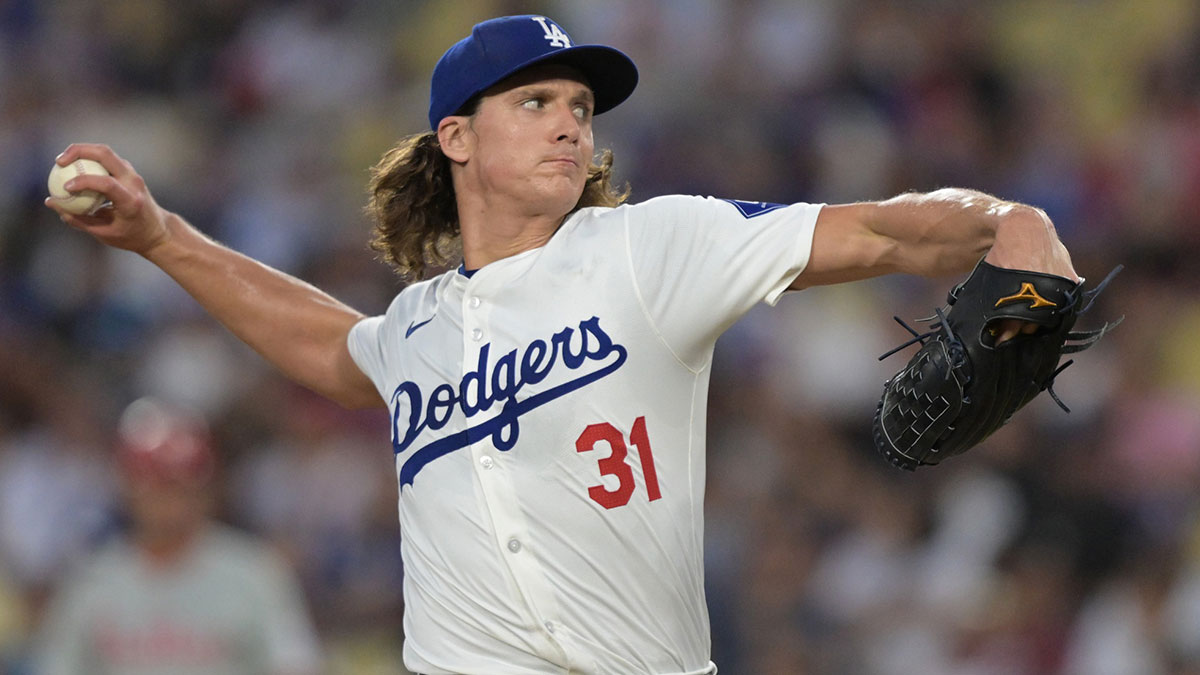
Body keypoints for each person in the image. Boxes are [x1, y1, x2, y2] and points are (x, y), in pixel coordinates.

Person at [43, 14, 1078, 675]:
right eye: (534, 101)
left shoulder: (651, 245)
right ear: (456, 138)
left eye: (580, 107)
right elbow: (336, 352)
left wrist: (1003, 221)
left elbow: (881, 228)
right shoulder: (419, 328)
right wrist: (162, 237)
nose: (568, 124)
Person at [32, 398, 323, 675]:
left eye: (179, 484)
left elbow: (295, 665)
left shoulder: (255, 571)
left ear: (206, 489)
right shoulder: (91, 579)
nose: (167, 500)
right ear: (128, 487)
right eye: (153, 483)